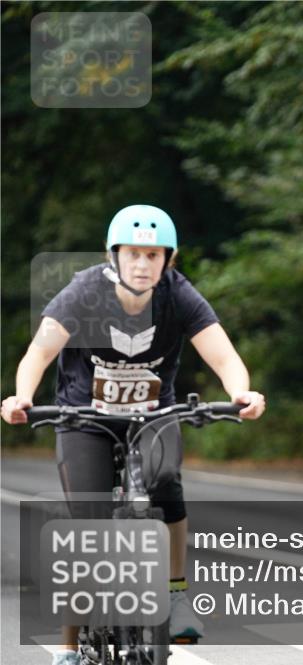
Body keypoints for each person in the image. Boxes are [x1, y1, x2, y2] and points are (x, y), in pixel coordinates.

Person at [1, 205, 266, 665]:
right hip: (85, 418)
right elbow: (38, 354)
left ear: (169, 259)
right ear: (113, 256)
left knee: (166, 486)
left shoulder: (178, 295)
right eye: (133, 254)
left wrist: (242, 392)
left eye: (153, 255)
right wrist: (21, 397)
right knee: (89, 527)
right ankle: (69, 648)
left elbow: (223, 356)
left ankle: (176, 593)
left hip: (152, 416)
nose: (142, 265)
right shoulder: (83, 292)